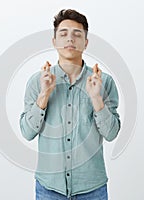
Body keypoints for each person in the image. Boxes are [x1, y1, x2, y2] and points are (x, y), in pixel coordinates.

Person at [20, 9, 121, 200]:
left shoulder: (103, 82)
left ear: (86, 42)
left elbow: (111, 133)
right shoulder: (37, 81)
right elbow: (27, 132)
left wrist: (96, 99)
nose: (70, 39)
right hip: (49, 189)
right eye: (63, 34)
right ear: (54, 41)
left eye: (77, 34)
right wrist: (44, 95)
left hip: (92, 189)